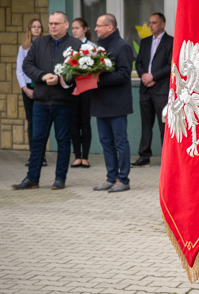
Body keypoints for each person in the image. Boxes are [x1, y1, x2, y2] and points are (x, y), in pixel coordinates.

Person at [12, 11, 82, 190]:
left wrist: (61, 79)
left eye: (56, 23)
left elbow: (81, 72)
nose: (52, 26)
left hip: (64, 101)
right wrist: (43, 76)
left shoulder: (76, 45)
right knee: (37, 140)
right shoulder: (39, 43)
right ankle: (32, 178)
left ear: (66, 25)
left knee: (63, 140)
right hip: (41, 100)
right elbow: (27, 65)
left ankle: (60, 179)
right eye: (50, 23)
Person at [90, 13, 134, 193]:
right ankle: (111, 178)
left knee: (120, 142)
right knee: (106, 142)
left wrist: (97, 79)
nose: (95, 28)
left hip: (117, 104)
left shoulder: (122, 47)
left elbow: (124, 74)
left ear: (110, 27)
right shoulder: (98, 47)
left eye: (99, 25)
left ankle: (123, 179)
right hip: (100, 103)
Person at [132, 12, 173, 167]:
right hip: (145, 89)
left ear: (162, 24)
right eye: (149, 22)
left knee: (164, 126)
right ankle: (144, 156)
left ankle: (167, 158)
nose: (150, 25)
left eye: (154, 22)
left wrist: (153, 76)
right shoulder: (145, 42)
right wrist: (143, 75)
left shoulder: (171, 42)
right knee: (146, 124)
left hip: (161, 90)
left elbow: (171, 65)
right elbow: (139, 62)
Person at [16, 18, 47, 168]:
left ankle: (43, 155)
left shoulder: (46, 46)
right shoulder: (24, 47)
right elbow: (19, 70)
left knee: (43, 121)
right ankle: (33, 154)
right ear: (29, 29)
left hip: (42, 86)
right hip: (28, 87)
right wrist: (25, 88)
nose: (36, 29)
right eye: (33, 27)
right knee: (32, 122)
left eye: (39, 27)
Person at [69, 18, 92, 169]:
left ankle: (85, 156)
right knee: (73, 122)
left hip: (87, 88)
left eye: (77, 28)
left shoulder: (91, 46)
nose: (74, 31)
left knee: (85, 122)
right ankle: (77, 156)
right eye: (73, 28)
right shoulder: (69, 46)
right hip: (71, 88)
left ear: (85, 29)